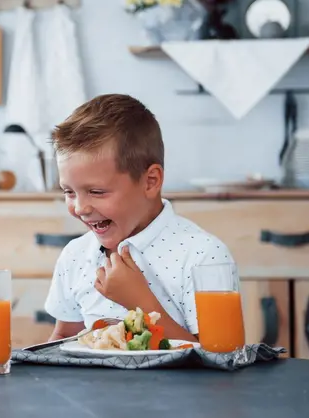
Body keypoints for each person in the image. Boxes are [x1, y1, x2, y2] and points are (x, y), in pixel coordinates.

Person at [43, 94, 237, 343]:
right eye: (69, 192)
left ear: (151, 181)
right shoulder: (75, 256)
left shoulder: (203, 256)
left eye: (96, 192)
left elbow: (219, 361)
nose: (80, 208)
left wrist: (139, 302)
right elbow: (63, 337)